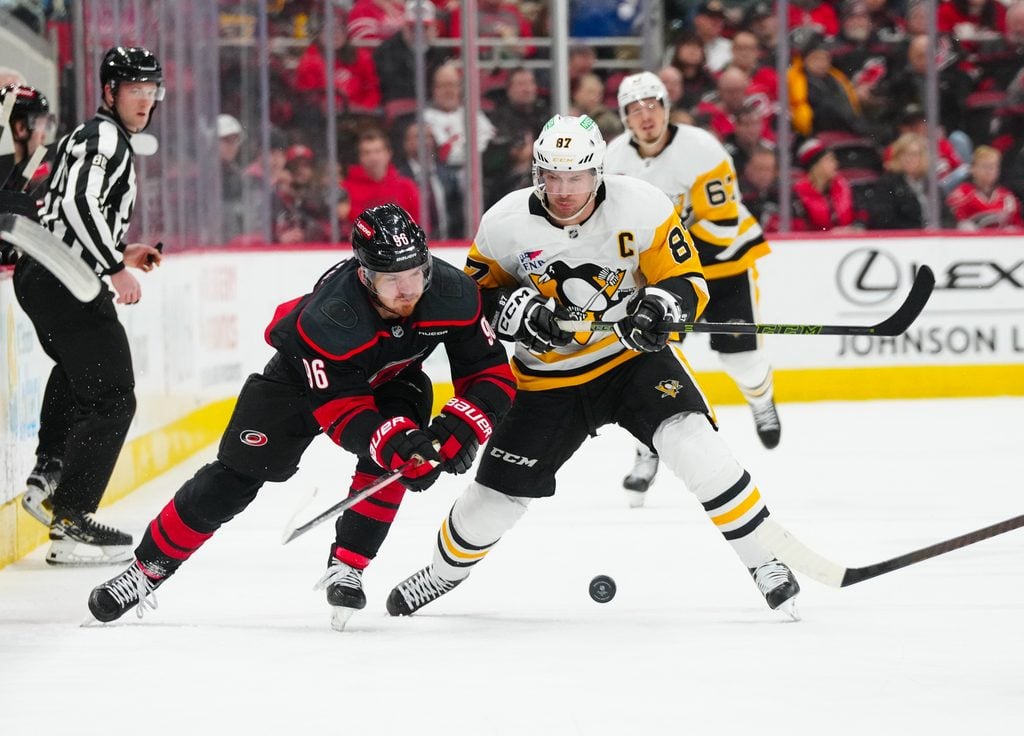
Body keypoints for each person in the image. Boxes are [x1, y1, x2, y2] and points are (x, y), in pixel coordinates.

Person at [384, 114, 801, 621]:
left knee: (695, 445)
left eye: (575, 177)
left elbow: (688, 280)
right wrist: (510, 310)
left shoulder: (643, 207)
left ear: (597, 171)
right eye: (551, 177)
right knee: (492, 502)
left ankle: (765, 563)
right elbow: (474, 297)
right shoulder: (504, 223)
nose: (562, 190)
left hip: (629, 363)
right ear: (538, 172)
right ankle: (442, 574)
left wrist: (660, 308)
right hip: (545, 381)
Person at [87, 204, 516, 629]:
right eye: (392, 280)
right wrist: (393, 442)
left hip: (393, 379)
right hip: (297, 382)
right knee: (234, 477)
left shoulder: (451, 291)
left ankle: (348, 565)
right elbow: (343, 413)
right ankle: (144, 571)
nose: (408, 290)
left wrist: (461, 429)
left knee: (397, 455)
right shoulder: (329, 317)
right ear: (365, 276)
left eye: (415, 273)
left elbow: (492, 374)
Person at [13, 47, 164, 565]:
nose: (144, 101)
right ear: (108, 92)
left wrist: (123, 252)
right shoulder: (103, 136)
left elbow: (68, 211)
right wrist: (113, 266)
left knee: (81, 374)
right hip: (64, 276)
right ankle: (72, 517)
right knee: (116, 394)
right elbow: (78, 204)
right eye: (134, 91)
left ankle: (48, 476)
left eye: (151, 91)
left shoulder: (101, 138)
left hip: (46, 272)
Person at [604, 72, 780, 507]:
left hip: (720, 265)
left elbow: (721, 222)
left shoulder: (701, 149)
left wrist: (662, 252)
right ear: (625, 117)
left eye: (652, 105)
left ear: (666, 106)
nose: (645, 116)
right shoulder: (612, 159)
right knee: (649, 366)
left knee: (741, 358)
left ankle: (761, 398)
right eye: (634, 109)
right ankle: (646, 451)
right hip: (663, 278)